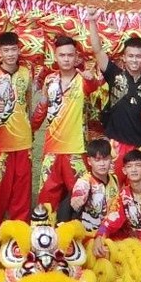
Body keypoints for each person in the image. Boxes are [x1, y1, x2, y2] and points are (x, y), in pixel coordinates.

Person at [33, 35, 100, 217]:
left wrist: (91, 79)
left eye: (70, 55)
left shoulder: (83, 80)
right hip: (52, 149)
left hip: (76, 150)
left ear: (76, 57)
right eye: (62, 55)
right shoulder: (49, 80)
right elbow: (42, 108)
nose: (66, 59)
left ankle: (80, 238)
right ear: (56, 56)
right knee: (47, 198)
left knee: (81, 197)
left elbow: (94, 86)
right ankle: (44, 237)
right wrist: (30, 129)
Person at [0, 33, 36, 223]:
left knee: (22, 190)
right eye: (6, 50)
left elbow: (27, 104)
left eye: (13, 50)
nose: (10, 54)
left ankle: (19, 230)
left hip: (23, 141)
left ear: (19, 50)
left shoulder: (27, 73)